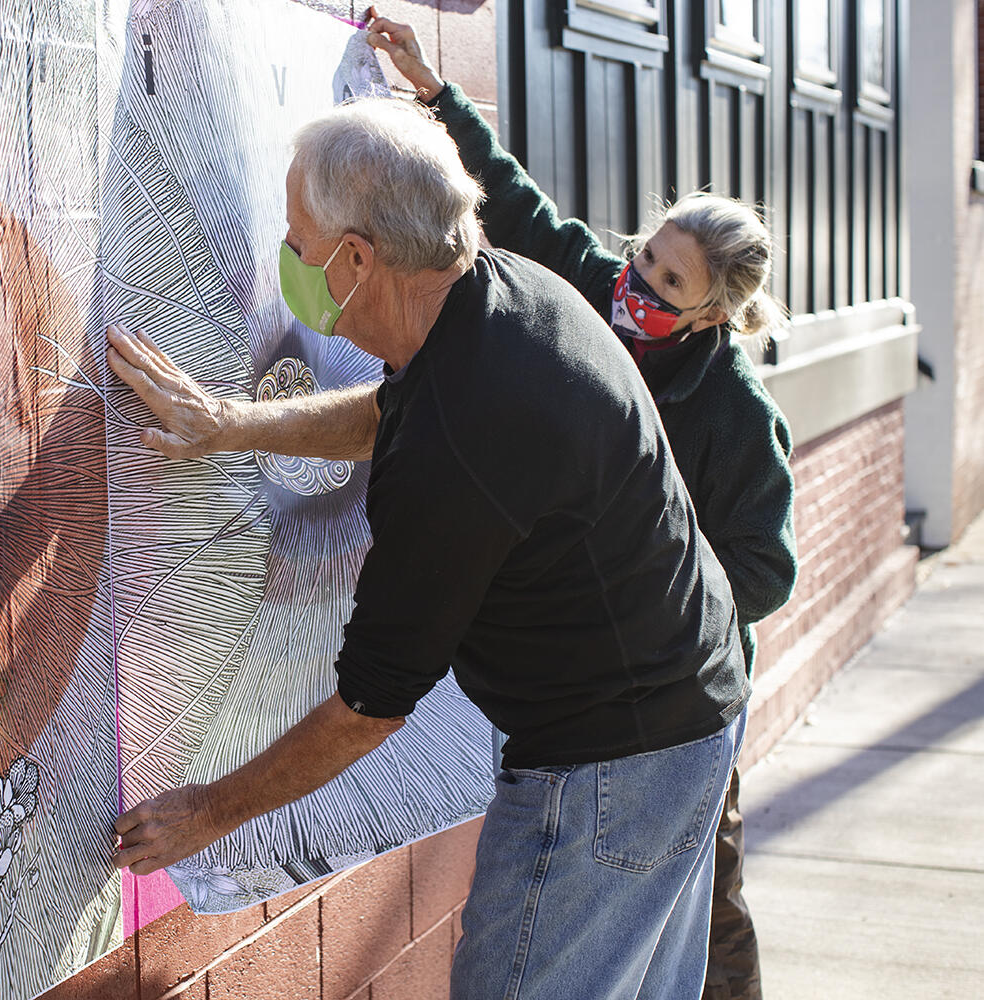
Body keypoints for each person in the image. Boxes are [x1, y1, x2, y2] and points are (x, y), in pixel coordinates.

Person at [108, 95, 750, 1000]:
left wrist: (203, 813)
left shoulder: (461, 444)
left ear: (358, 258)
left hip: (615, 762)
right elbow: (391, 411)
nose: (288, 261)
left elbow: (371, 707)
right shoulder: (497, 296)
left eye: (297, 242)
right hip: (689, 707)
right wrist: (230, 425)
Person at [364, 13, 799, 1000]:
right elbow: (516, 209)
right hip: (605, 674)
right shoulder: (600, 297)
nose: (637, 284)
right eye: (644, 257)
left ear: (713, 314)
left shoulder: (734, 412)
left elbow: (767, 566)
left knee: (703, 896)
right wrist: (434, 91)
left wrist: (665, 581)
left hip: (682, 680)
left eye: (667, 283)